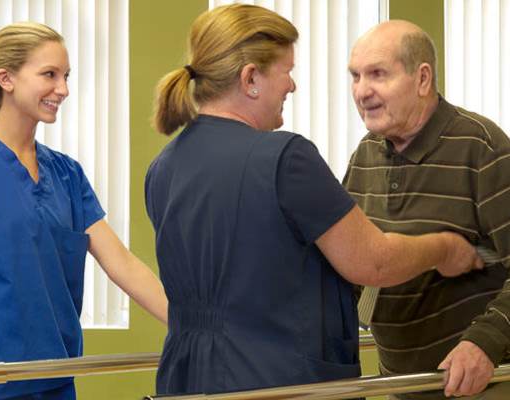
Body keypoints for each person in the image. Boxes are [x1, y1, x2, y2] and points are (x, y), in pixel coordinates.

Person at [145, 4, 482, 396]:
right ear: (250, 78)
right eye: (286, 72)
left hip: (186, 377)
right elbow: (373, 262)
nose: (292, 86)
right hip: (274, 380)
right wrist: (444, 248)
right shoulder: (285, 158)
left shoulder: (163, 167)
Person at [0, 22, 168, 400]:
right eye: (49, 74)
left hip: (55, 375)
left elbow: (122, 263)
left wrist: (187, 324)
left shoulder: (67, 173)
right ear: (6, 78)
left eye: (65, 76)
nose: (62, 89)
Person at [344, 20, 510, 399]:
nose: (361, 91)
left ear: (422, 79)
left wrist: (484, 343)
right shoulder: (367, 153)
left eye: (378, 74)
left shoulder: (481, 149)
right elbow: (354, 258)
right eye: (355, 76)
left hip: (476, 384)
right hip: (401, 382)